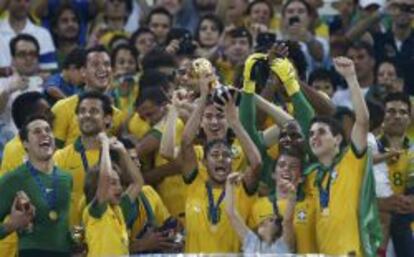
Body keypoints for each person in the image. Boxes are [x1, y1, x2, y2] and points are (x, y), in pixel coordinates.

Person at [178, 73, 262, 253]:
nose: (221, 159)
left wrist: (234, 121)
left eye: (226, 155)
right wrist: (202, 98)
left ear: (233, 161)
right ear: (204, 163)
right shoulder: (195, 182)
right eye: (215, 155)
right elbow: (185, 142)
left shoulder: (241, 188)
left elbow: (256, 164)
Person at [306, 56, 380, 256]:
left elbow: (362, 121)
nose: (314, 137)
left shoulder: (350, 162)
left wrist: (351, 77)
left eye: (322, 132)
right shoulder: (311, 176)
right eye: (311, 134)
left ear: (338, 139)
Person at [0, 114, 72, 257]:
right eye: (37, 131)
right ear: (25, 143)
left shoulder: (66, 178)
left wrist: (74, 243)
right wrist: (11, 225)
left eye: (48, 130)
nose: (45, 134)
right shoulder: (13, 179)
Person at [53, 91, 115, 227]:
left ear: (107, 119)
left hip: (110, 232)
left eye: (94, 111)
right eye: (82, 111)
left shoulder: (117, 153)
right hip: (75, 239)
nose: (86, 115)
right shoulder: (60, 157)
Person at [82, 132, 143, 257]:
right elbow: (105, 176)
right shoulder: (97, 211)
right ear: (97, 186)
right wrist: (104, 145)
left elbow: (138, 182)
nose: (120, 188)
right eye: (113, 183)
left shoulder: (119, 210)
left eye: (119, 182)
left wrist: (122, 151)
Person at [51, 46, 124, 148]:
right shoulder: (63, 108)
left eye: (107, 64)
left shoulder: (117, 115)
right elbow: (52, 152)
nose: (102, 69)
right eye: (95, 64)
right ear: (83, 72)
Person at [225, 170, 296, 254]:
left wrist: (292, 193)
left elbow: (287, 221)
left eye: (270, 220)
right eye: (265, 219)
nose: (264, 221)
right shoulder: (251, 242)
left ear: (279, 229)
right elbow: (231, 213)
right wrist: (229, 183)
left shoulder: (283, 246)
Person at [0, 0, 57, 71]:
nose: (22, 4)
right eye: (18, 0)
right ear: (7, 3)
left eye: (27, 1)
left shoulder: (43, 34)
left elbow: (48, 70)